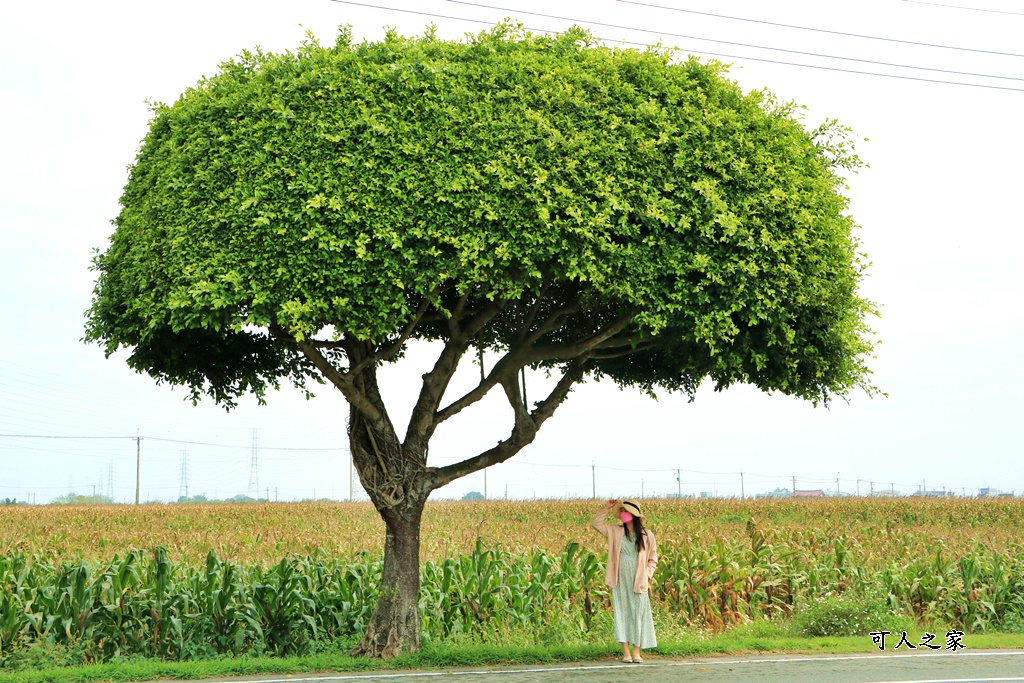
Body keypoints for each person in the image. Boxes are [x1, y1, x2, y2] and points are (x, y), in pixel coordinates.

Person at [591, 498, 658, 663]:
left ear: (633, 515)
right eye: (621, 511)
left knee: (638, 614)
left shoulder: (647, 535)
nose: (621, 514)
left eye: (624, 511)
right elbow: (596, 524)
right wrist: (605, 508)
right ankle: (626, 653)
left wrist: (647, 575)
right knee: (622, 612)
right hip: (620, 578)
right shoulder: (615, 531)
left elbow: (653, 559)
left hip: (639, 579)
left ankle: (637, 652)